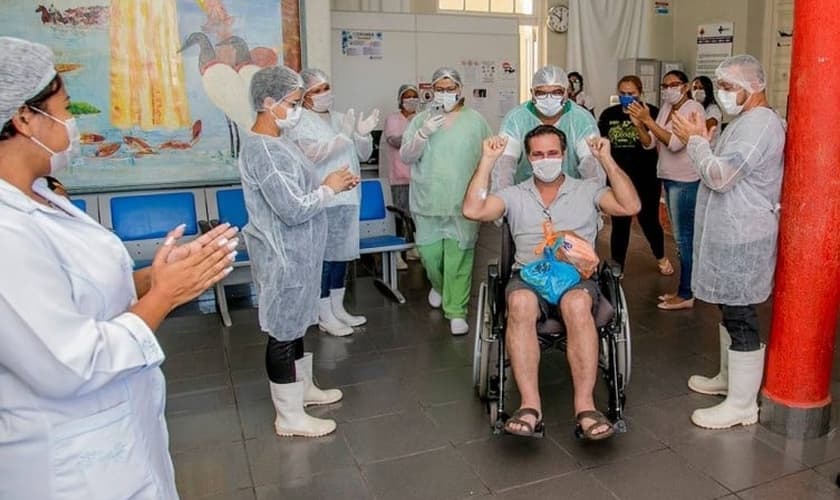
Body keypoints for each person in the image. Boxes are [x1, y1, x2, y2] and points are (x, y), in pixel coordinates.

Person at [0, 36, 237, 498]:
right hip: (68, 464)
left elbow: (79, 291)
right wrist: (163, 296)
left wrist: (155, 276)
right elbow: (71, 364)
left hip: (121, 437)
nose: (71, 123)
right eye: (65, 109)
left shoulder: (43, 196)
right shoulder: (6, 231)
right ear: (25, 117)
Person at [463, 126, 640, 439]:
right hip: (529, 276)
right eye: (538, 154)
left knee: (576, 303)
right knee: (519, 301)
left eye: (553, 153)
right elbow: (473, 209)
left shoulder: (587, 190)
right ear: (529, 159)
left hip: (576, 279)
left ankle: (585, 406)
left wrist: (607, 162)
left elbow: (630, 206)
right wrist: (488, 161)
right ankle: (530, 406)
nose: (546, 159)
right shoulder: (514, 195)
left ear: (564, 155)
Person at [240, 65, 360, 438]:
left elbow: (299, 188)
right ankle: (289, 416)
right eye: (293, 103)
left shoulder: (279, 143)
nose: (297, 111)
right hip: (283, 254)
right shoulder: (264, 151)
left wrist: (326, 183)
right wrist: (330, 189)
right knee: (282, 332)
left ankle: (303, 390)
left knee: (296, 326)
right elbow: (292, 208)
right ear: (267, 102)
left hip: (299, 252)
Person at [672, 55, 784, 429]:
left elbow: (721, 176)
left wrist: (695, 143)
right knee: (728, 307)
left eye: (728, 87)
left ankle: (742, 404)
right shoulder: (745, 121)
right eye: (719, 86)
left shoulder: (761, 125)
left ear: (755, 87)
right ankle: (728, 379)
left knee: (741, 314)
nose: (720, 94)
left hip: (745, 235)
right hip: (730, 231)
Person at [285, 68, 378, 337]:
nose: (324, 94)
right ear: (305, 96)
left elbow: (362, 154)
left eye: (326, 87)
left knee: (342, 257)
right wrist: (343, 137)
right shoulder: (299, 122)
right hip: (323, 199)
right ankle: (323, 313)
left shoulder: (341, 118)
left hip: (348, 198)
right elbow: (312, 156)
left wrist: (361, 135)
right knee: (324, 259)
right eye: (317, 90)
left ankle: (338, 309)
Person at [400, 67, 491, 335]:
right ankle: (438, 286)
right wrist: (422, 134)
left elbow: (490, 158)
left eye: (450, 88)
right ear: (432, 90)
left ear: (460, 90)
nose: (445, 93)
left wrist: (491, 195)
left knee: (459, 257)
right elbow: (406, 156)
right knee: (430, 256)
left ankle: (456, 311)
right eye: (440, 88)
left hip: (464, 201)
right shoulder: (420, 120)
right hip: (428, 199)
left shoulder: (476, 121)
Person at [628, 70, 705, 310]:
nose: (668, 89)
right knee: (681, 239)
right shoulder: (665, 108)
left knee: (684, 239)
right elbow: (650, 142)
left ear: (685, 86)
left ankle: (687, 293)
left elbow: (674, 144)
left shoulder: (694, 109)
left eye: (673, 84)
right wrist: (639, 124)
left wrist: (648, 120)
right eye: (665, 85)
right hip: (669, 178)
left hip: (686, 181)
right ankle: (684, 290)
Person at [598, 75, 672, 274]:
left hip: (646, 176)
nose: (626, 97)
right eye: (622, 93)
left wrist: (640, 122)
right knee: (620, 223)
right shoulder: (608, 114)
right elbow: (602, 143)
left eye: (631, 94)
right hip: (618, 176)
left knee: (649, 221)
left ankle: (661, 257)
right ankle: (617, 267)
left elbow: (651, 144)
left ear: (640, 93)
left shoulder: (651, 113)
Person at [493, 65, 604, 191]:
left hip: (572, 198)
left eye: (557, 92)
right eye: (541, 93)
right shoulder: (515, 120)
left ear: (567, 93)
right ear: (532, 93)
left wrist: (595, 199)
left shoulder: (582, 120)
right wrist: (503, 202)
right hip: (525, 199)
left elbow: (593, 171)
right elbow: (503, 171)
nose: (549, 99)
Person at [379, 83, 419, 270]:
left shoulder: (420, 118)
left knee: (414, 216)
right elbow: (394, 141)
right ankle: (396, 254)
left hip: (417, 177)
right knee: (398, 216)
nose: (411, 99)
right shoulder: (393, 119)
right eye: (407, 96)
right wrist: (419, 137)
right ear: (400, 100)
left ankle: (411, 248)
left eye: (414, 96)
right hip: (398, 176)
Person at [691, 75, 722, 148]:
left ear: (707, 91)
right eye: (695, 88)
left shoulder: (713, 109)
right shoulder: (694, 107)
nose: (697, 91)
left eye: (701, 88)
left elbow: (704, 131)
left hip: (710, 151)